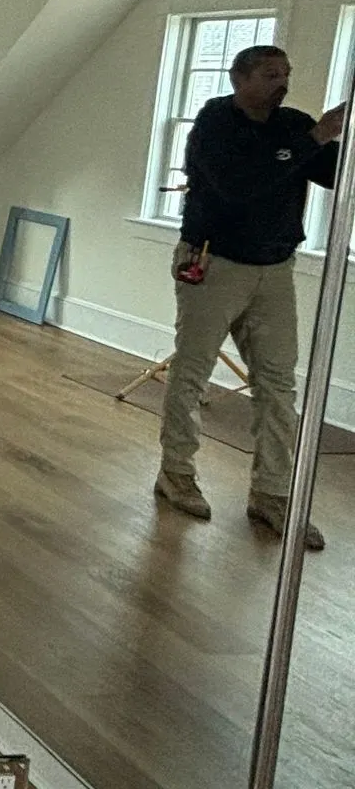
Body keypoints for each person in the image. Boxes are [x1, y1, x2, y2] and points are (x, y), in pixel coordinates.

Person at [155, 43, 343, 548]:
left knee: (279, 383)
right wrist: (315, 137)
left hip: (275, 267)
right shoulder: (216, 122)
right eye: (268, 73)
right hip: (214, 262)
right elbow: (242, 183)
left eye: (285, 73)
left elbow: (330, 175)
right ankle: (176, 473)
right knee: (192, 372)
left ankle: (272, 493)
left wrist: (330, 143)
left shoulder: (292, 125)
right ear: (239, 78)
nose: (280, 82)